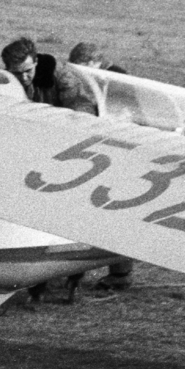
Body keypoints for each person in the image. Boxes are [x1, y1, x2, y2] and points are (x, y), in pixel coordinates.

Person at [66, 41, 134, 290]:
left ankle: (120, 273)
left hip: (121, 151)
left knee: (117, 214)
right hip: (99, 150)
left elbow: (126, 114)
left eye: (82, 68)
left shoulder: (118, 80)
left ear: (96, 64)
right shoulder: (93, 79)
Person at [0, 37, 97, 114]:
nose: (24, 78)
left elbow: (81, 108)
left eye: (28, 71)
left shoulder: (63, 76)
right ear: (8, 69)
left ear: (36, 62)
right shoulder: (3, 81)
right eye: (17, 73)